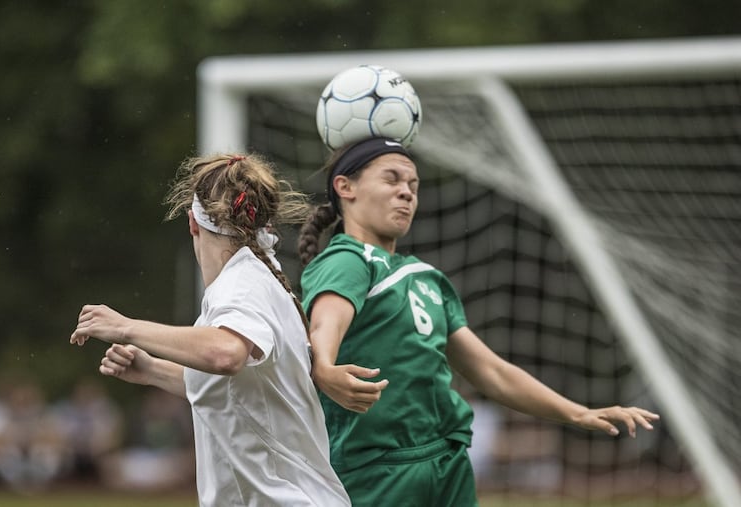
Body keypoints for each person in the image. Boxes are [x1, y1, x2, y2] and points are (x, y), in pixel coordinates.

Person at [297, 136, 660, 507]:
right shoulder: (347, 260)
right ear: (346, 187)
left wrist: (579, 413)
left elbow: (492, 372)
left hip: (446, 462)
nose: (406, 193)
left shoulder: (425, 277)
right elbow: (326, 325)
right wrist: (323, 366)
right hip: (377, 470)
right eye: (392, 180)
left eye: (413, 185)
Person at [70, 153, 351, 507]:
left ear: (192, 222)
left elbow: (225, 354)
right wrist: (153, 369)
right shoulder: (253, 279)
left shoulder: (241, 284)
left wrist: (126, 327)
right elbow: (237, 391)